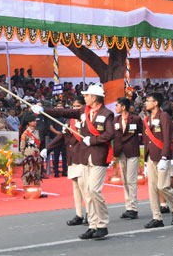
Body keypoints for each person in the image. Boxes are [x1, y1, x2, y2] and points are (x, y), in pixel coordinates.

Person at [37, 84, 116, 240]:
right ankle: (93, 225)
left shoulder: (107, 113)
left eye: (87, 95)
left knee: (94, 190)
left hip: (99, 156)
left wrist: (92, 140)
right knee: (87, 191)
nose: (84, 97)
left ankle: (103, 224)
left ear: (94, 97)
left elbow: (110, 134)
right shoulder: (82, 111)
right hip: (84, 157)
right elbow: (64, 111)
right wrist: (44, 110)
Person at [140, 92, 173, 228]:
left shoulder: (163, 116)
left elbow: (167, 138)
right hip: (151, 157)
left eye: (148, 100)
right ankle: (157, 217)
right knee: (152, 188)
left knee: (163, 186)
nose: (146, 103)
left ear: (156, 103)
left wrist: (165, 157)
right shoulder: (147, 119)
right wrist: (145, 161)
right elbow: (147, 141)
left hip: (163, 156)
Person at [45, 97, 88, 226]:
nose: (75, 108)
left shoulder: (87, 119)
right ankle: (79, 214)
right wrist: (47, 149)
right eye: (74, 106)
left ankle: (90, 213)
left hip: (82, 156)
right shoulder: (70, 120)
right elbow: (62, 135)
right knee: (75, 186)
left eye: (78, 106)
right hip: (72, 157)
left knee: (83, 186)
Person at [113, 97, 142, 220]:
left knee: (131, 180)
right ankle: (128, 207)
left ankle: (134, 208)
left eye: (117, 105)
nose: (116, 108)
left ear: (123, 107)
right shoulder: (115, 120)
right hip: (120, 153)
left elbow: (143, 132)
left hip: (132, 152)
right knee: (124, 180)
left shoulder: (135, 119)